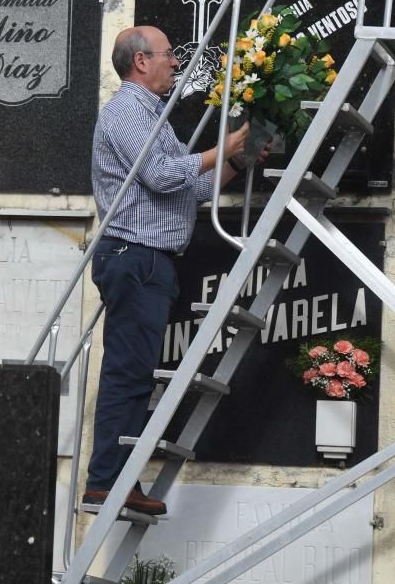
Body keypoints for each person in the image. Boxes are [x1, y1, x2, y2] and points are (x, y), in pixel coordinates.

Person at [83, 26, 256, 516]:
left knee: (135, 375)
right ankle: (106, 482)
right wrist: (223, 146)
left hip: (149, 261)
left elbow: (191, 190)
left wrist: (237, 160)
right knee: (128, 373)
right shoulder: (126, 112)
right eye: (168, 54)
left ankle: (117, 479)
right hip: (135, 257)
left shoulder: (152, 115)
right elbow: (161, 175)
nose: (175, 63)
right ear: (140, 61)